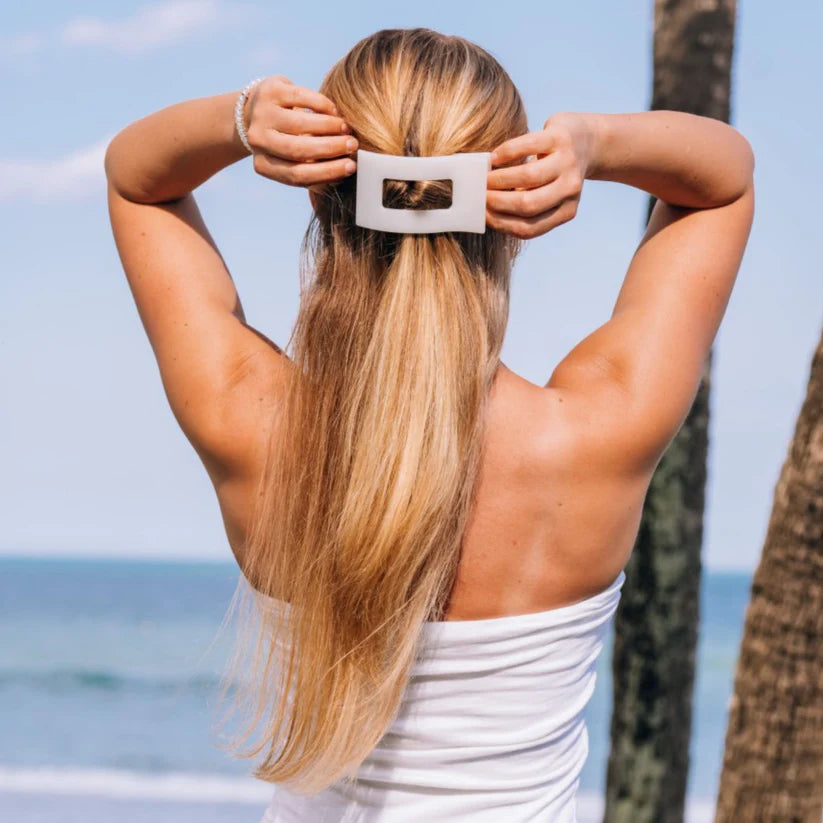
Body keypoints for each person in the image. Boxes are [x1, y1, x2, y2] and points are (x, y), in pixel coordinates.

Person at [104, 27, 754, 823]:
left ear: (318, 191)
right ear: (513, 201)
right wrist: (594, 141)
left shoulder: (252, 421)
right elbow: (723, 179)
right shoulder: (598, 428)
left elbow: (136, 181)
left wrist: (240, 119)